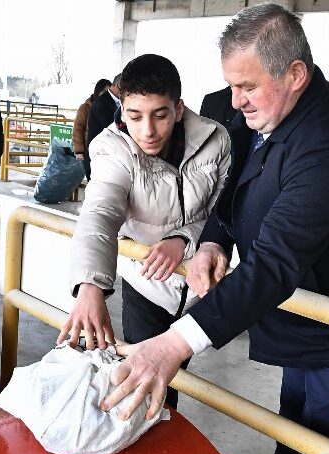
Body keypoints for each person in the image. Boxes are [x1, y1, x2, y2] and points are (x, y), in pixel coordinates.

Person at [96, 5, 329, 454]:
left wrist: (172, 344)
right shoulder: (270, 116)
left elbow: (271, 265)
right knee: (293, 431)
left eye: (247, 86)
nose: (236, 99)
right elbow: (234, 190)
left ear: (295, 74)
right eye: (232, 85)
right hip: (310, 308)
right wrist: (212, 241)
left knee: (324, 447)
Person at [59, 54, 231, 409]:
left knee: (175, 377)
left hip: (201, 290)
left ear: (179, 108)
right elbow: (101, 211)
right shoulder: (111, 149)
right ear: (121, 110)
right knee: (149, 392)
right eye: (134, 117)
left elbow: (224, 213)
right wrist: (90, 284)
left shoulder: (216, 141)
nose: (147, 131)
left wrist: (183, 241)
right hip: (147, 288)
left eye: (160, 115)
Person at [84, 73, 122, 180]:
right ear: (119, 87)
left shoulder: (116, 102)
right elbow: (115, 130)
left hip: (108, 157)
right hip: (98, 159)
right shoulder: (102, 104)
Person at [73, 78, 111, 170]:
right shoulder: (85, 108)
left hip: (104, 149)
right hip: (89, 149)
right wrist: (79, 151)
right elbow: (78, 128)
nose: (108, 94)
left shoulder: (110, 107)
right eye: (105, 91)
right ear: (98, 91)